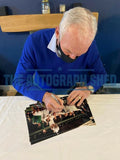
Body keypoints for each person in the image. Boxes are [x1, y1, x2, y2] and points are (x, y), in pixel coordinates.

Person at [13, 7, 106, 112]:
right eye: (68, 51)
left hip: (72, 92)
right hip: (41, 91)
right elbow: (19, 80)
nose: (72, 58)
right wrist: (43, 96)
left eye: (79, 54)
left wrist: (88, 88)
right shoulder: (34, 41)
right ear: (58, 32)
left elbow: (101, 75)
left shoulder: (90, 46)